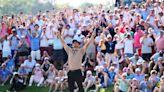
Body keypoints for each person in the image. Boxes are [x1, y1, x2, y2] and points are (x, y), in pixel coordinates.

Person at [57, 27, 96, 92]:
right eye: (73, 43)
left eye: (76, 43)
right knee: (71, 88)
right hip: (70, 72)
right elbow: (63, 44)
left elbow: (87, 44)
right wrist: (59, 37)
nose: (74, 44)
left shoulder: (81, 50)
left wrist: (92, 37)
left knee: (80, 87)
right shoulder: (69, 50)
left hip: (78, 71)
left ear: (78, 44)